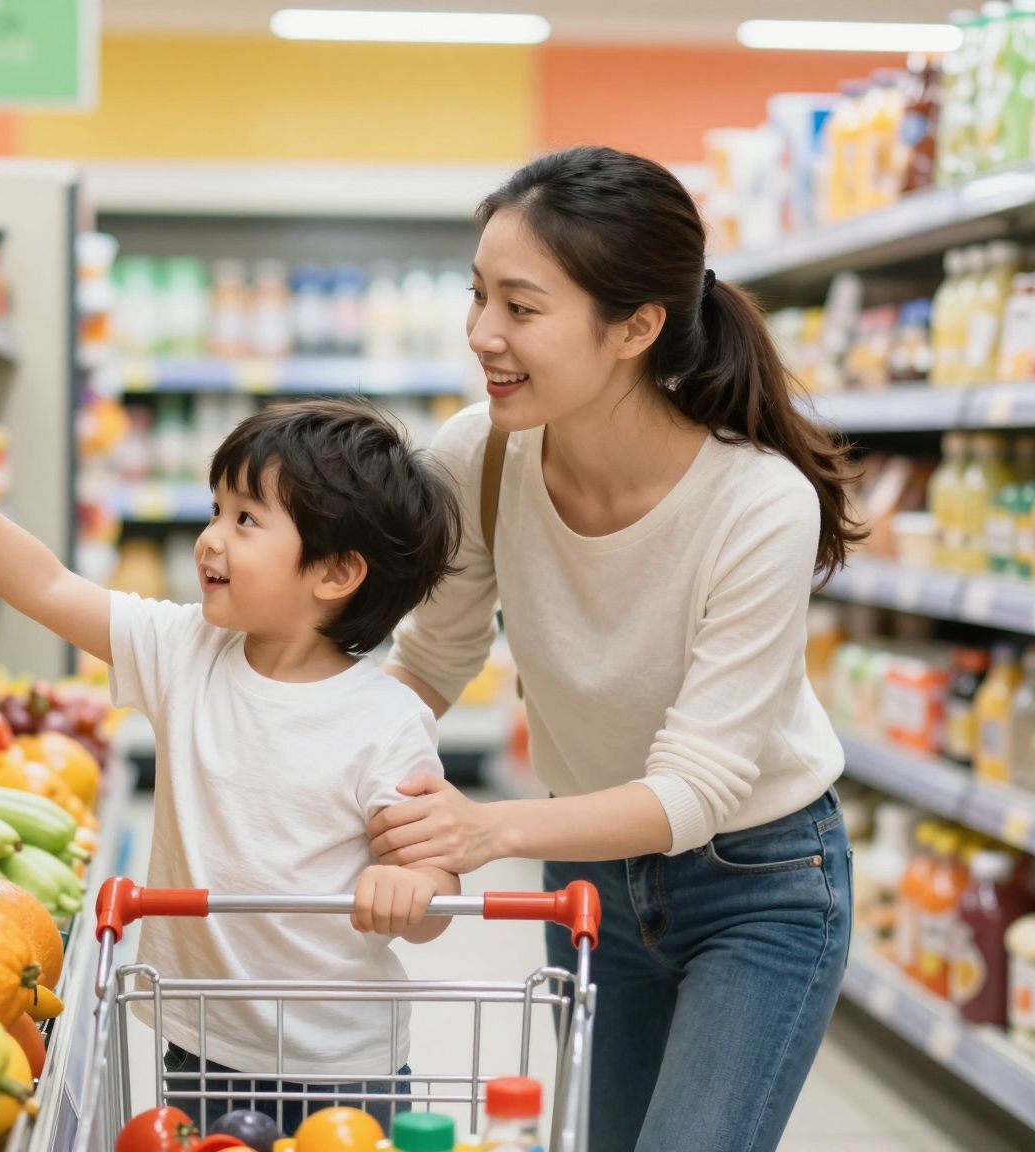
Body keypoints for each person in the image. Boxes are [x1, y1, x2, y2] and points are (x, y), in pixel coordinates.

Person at [369, 146, 864, 1152]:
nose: (480, 335)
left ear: (634, 327)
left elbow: (695, 788)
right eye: (477, 299)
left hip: (755, 884)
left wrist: (485, 834)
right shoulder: (484, 454)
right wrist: (302, 743)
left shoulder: (755, 502)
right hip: (588, 873)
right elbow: (430, 660)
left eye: (519, 307)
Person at [0, 399, 463, 1128]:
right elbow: (46, 586)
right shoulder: (185, 652)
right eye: (215, 510)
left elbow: (437, 882)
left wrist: (408, 888)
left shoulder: (385, 721)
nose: (209, 541)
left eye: (246, 520)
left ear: (336, 572)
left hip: (343, 1066)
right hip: (201, 1042)